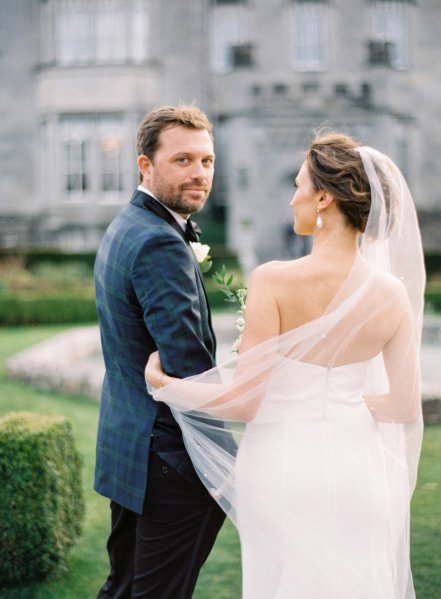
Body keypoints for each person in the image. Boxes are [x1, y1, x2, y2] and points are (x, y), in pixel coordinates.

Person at [145, 132, 425, 598]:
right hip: (360, 472)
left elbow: (244, 401)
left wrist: (164, 385)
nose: (292, 197)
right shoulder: (392, 294)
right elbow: (402, 405)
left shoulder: (272, 280)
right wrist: (345, 405)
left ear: (323, 197)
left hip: (283, 469)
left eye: (298, 185)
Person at [94, 104, 226, 599]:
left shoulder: (129, 225)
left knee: (124, 588)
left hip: (130, 445)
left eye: (207, 161)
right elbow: (190, 369)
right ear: (145, 165)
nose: (199, 173)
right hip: (172, 462)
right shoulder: (159, 244)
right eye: (183, 160)